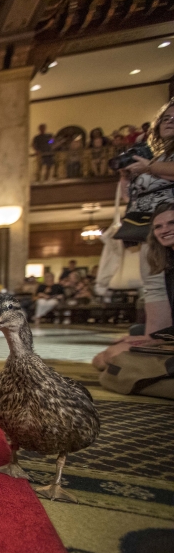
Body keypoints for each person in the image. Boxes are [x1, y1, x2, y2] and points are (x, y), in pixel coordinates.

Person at [93, 203, 174, 370]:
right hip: (169, 335)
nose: (164, 230)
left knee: (112, 359)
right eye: (158, 226)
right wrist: (152, 336)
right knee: (102, 359)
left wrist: (157, 338)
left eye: (171, 223)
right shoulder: (167, 265)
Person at [123, 99, 174, 337]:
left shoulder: (156, 163)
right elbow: (130, 197)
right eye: (166, 118)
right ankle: (156, 336)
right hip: (150, 226)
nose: (170, 121)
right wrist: (127, 178)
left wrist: (150, 169)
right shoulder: (158, 156)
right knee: (153, 282)